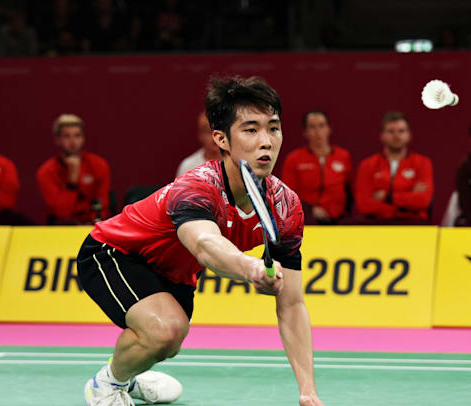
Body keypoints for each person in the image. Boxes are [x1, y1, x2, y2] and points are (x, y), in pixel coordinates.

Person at [76, 76, 324, 406]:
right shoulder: (196, 188)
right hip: (115, 252)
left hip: (174, 273)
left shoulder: (285, 206)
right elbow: (206, 245)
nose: (266, 141)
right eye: (251, 130)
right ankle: (107, 384)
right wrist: (250, 267)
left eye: (273, 128)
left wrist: (308, 392)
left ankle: (130, 375)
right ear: (221, 138)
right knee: (165, 330)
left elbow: (291, 304)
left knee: (168, 341)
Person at [355, 111, 433, 224]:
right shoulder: (367, 165)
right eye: (391, 131)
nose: (396, 136)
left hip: (412, 225)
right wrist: (407, 201)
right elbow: (364, 205)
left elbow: (423, 201)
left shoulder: (423, 163)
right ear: (382, 135)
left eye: (401, 131)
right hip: (377, 224)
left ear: (409, 135)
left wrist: (387, 197)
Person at [36, 114, 111, 225]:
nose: (73, 141)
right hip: (60, 227)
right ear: (57, 140)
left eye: (77, 136)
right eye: (67, 136)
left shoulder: (99, 165)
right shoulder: (46, 171)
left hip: (92, 225)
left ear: (83, 138)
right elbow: (61, 213)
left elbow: (102, 207)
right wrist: (72, 182)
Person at [281, 110, 352, 225]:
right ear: (305, 132)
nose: (318, 131)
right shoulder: (294, 159)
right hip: (306, 221)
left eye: (321, 126)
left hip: (339, 221)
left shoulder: (343, 156)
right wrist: (309, 210)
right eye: (312, 127)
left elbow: (350, 192)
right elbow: (287, 196)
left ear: (328, 129)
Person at [175, 111, 221, 177]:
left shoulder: (235, 161)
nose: (215, 137)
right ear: (200, 135)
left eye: (219, 131)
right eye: (209, 131)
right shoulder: (188, 166)